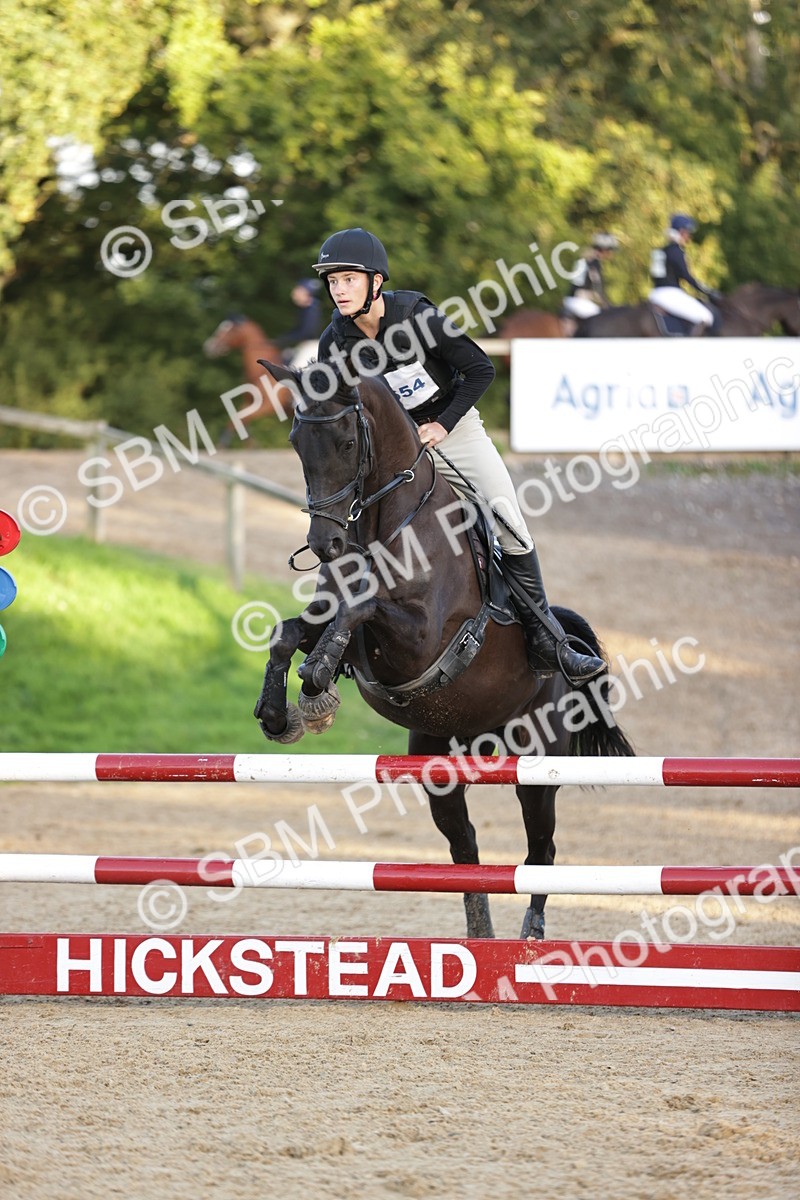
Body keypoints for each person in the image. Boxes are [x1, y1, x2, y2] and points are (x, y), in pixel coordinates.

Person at [311, 227, 605, 683]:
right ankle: (340, 638)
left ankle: (548, 638)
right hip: (392, 450)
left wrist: (442, 423)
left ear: (376, 282)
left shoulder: (419, 318)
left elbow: (480, 370)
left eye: (349, 279)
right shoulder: (335, 342)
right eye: (332, 282)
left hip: (454, 431)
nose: (339, 290)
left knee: (507, 517)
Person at [649, 215, 722, 334]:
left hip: (654, 293)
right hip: (670, 294)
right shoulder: (677, 251)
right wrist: (707, 291)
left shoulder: (659, 251)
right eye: (688, 233)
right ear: (682, 232)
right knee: (706, 317)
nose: (689, 237)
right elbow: (686, 276)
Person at [563, 232, 619, 320]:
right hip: (579, 302)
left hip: (570, 300)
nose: (611, 253)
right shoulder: (594, 263)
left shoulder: (585, 258)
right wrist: (608, 306)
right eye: (610, 250)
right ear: (604, 249)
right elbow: (597, 290)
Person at [275, 278, 324, 367]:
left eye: (298, 290)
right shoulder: (307, 308)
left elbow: (308, 333)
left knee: (294, 371)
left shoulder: (312, 310)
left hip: (311, 346)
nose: (294, 293)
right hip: (306, 345)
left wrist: (285, 339)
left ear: (306, 293)